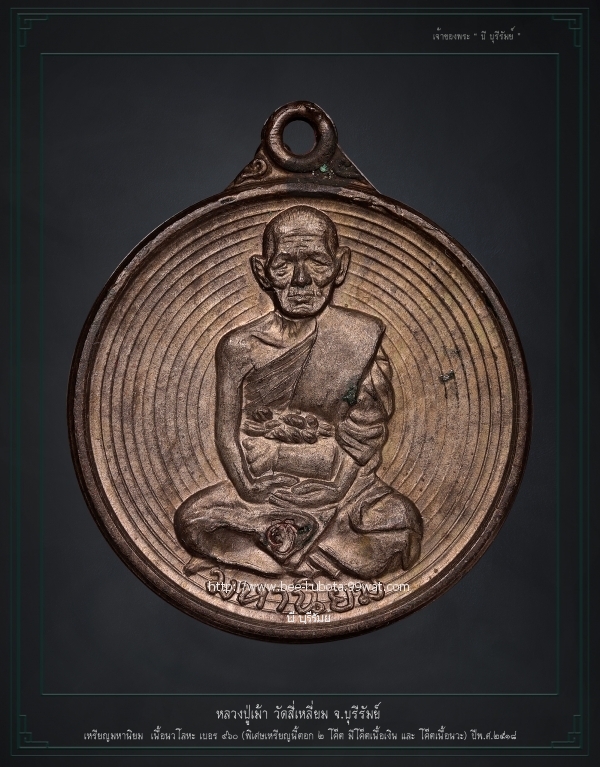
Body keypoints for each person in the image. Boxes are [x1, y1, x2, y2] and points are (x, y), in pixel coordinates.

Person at [174, 205, 422, 580]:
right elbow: (226, 431)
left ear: (340, 266)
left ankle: (282, 550)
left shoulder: (359, 337)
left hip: (344, 489)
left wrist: (335, 489)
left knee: (401, 523)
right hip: (263, 493)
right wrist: (247, 487)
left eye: (317, 262)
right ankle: (299, 548)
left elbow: (365, 432)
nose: (301, 280)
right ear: (262, 272)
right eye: (284, 265)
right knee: (193, 520)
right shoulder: (238, 346)